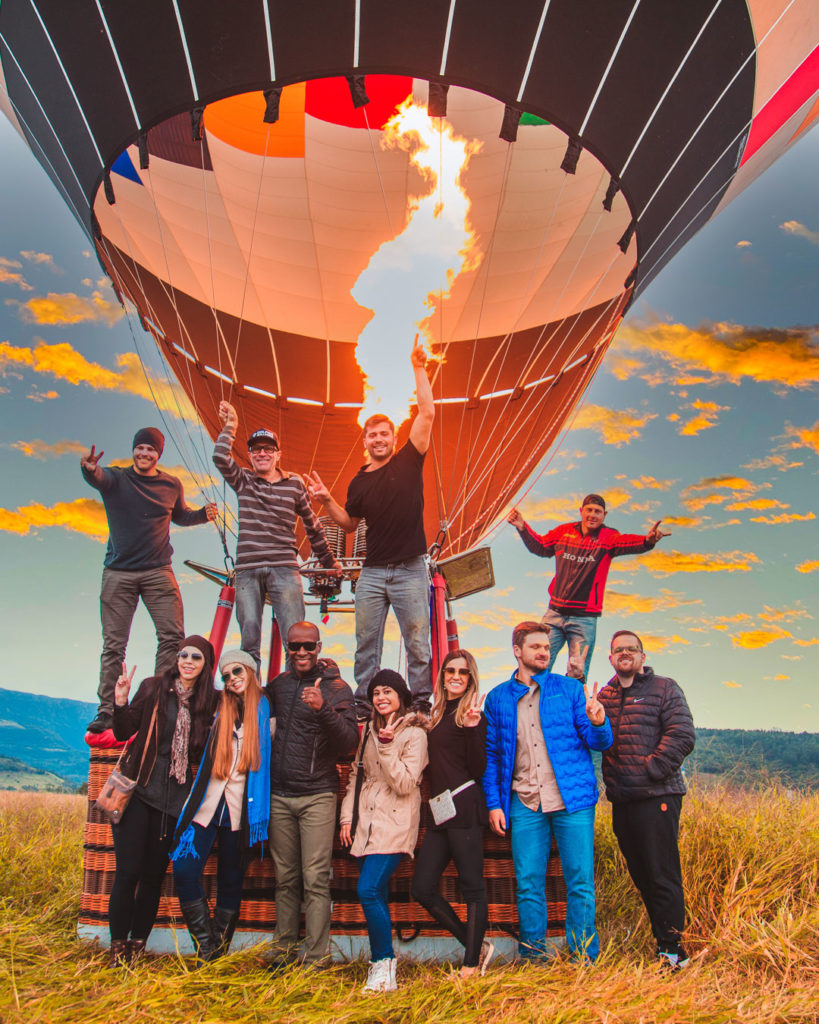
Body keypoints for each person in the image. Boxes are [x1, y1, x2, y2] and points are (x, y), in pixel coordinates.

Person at [307, 339, 435, 714]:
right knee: (366, 642)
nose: (378, 439)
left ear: (394, 439)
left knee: (417, 641)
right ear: (364, 441)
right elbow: (348, 524)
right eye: (372, 435)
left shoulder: (409, 461)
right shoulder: (359, 481)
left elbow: (426, 413)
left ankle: (422, 702)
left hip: (411, 567)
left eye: (384, 434)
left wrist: (418, 367)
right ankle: (364, 702)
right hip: (373, 572)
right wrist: (327, 500)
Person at [482, 621, 612, 962]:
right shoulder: (497, 698)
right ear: (517, 651)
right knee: (527, 882)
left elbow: (599, 742)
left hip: (573, 800)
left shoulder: (569, 690)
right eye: (536, 647)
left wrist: (599, 721)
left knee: (580, 881)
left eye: (546, 647)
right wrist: (495, 804)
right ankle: (533, 957)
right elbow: (493, 756)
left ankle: (584, 957)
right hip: (524, 801)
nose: (543, 652)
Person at [81, 428, 217, 733]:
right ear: (134, 450)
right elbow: (97, 478)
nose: (144, 454)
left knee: (172, 637)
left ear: (159, 454)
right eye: (140, 448)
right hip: (119, 572)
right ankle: (107, 710)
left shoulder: (170, 484)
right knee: (114, 645)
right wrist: (88, 469)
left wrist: (202, 515)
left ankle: (160, 701)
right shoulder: (116, 479)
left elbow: (179, 515)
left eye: (150, 450)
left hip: (158, 570)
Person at [108, 635, 218, 966]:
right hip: (138, 793)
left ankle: (137, 945)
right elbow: (123, 731)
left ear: (205, 665)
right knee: (127, 873)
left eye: (196, 657)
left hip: (173, 804)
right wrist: (121, 700)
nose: (187, 661)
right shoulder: (154, 687)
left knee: (154, 876)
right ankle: (117, 947)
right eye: (183, 654)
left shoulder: (209, 702)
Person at [213, 404, 340, 673]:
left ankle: (292, 701)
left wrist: (329, 560)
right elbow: (220, 457)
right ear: (249, 454)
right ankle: (253, 701)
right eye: (256, 449)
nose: (262, 453)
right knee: (249, 639)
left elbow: (312, 525)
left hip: (284, 568)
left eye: (268, 449)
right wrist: (231, 424)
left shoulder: (294, 484)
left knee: (296, 639)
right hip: (248, 570)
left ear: (278, 454)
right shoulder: (243, 480)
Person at [597, 630, 696, 970]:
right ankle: (663, 942)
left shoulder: (664, 688)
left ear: (642, 656)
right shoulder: (604, 695)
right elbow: (597, 738)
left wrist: (652, 768)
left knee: (661, 872)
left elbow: (682, 734)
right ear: (611, 658)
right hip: (622, 800)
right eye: (618, 650)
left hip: (658, 796)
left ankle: (673, 951)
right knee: (640, 873)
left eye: (631, 649)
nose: (624, 653)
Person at [265, 621, 358, 967]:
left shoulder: (337, 689)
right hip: (280, 794)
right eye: (294, 646)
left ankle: (317, 956)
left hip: (318, 793)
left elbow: (349, 741)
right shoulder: (279, 686)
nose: (301, 652)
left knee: (315, 878)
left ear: (319, 647)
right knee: (285, 878)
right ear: (287, 648)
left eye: (308, 646)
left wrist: (323, 710)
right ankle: (283, 950)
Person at [170, 649, 272, 962]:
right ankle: (209, 948)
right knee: (184, 871)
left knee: (231, 880)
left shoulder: (266, 708)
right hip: (208, 804)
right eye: (226, 676)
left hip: (242, 811)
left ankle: (214, 956)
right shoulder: (218, 707)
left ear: (251, 672)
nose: (232, 680)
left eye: (237, 672)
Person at [507, 494, 670, 679]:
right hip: (554, 613)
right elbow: (542, 546)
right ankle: (532, 703)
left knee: (577, 671)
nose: (593, 515)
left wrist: (648, 541)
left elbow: (629, 543)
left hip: (583, 619)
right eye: (589, 510)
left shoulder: (609, 538)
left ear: (604, 515)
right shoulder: (563, 532)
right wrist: (522, 527)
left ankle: (572, 706)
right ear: (581, 511)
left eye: (598, 512)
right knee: (537, 665)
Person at [339, 669, 428, 993]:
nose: (381, 698)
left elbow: (405, 783)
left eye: (388, 692)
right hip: (365, 822)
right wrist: (346, 818)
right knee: (377, 892)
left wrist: (389, 747)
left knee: (368, 889)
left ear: (401, 698)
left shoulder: (415, 734)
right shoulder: (367, 732)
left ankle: (382, 962)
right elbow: (355, 776)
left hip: (395, 821)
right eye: (376, 693)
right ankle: (386, 975)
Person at [411, 649, 493, 978]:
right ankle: (476, 945)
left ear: (470, 678)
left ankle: (471, 965)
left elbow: (478, 768)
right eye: (450, 671)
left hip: (465, 807)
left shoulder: (470, 714)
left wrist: (473, 728)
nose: (455, 676)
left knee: (473, 887)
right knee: (422, 888)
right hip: (440, 812)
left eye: (463, 672)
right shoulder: (439, 714)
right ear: (442, 676)